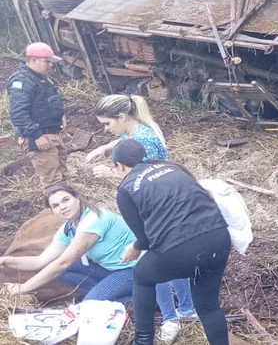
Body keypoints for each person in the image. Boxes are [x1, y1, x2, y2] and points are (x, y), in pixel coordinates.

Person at [86, 94, 195, 343]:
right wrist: (104, 148)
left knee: (153, 266)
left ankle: (170, 318)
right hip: (161, 207)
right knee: (173, 260)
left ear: (122, 117)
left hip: (155, 211)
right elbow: (123, 142)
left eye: (107, 124)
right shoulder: (136, 132)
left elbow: (143, 179)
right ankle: (186, 307)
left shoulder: (144, 140)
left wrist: (110, 173)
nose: (106, 129)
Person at [111, 139, 231, 345]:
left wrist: (134, 248)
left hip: (181, 246)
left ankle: (143, 340)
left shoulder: (126, 189)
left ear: (119, 165)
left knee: (142, 276)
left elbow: (145, 240)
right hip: (218, 237)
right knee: (209, 306)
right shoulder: (173, 168)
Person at [0, 184, 137, 303]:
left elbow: (63, 263)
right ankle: (106, 288)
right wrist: (5, 260)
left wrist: (23, 287)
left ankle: (141, 297)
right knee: (52, 268)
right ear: (52, 211)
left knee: (91, 304)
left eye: (66, 200)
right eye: (56, 205)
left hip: (132, 269)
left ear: (77, 198)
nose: (63, 207)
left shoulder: (93, 220)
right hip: (107, 267)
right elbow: (40, 261)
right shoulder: (68, 229)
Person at [7, 42, 67, 188]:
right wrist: (36, 135)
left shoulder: (40, 77)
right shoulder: (22, 81)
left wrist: (61, 116)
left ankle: (67, 199)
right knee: (52, 181)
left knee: (62, 174)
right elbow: (18, 113)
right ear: (34, 60)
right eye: (47, 61)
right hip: (40, 137)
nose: (50, 65)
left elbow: (48, 101)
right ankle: (56, 201)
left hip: (52, 132)